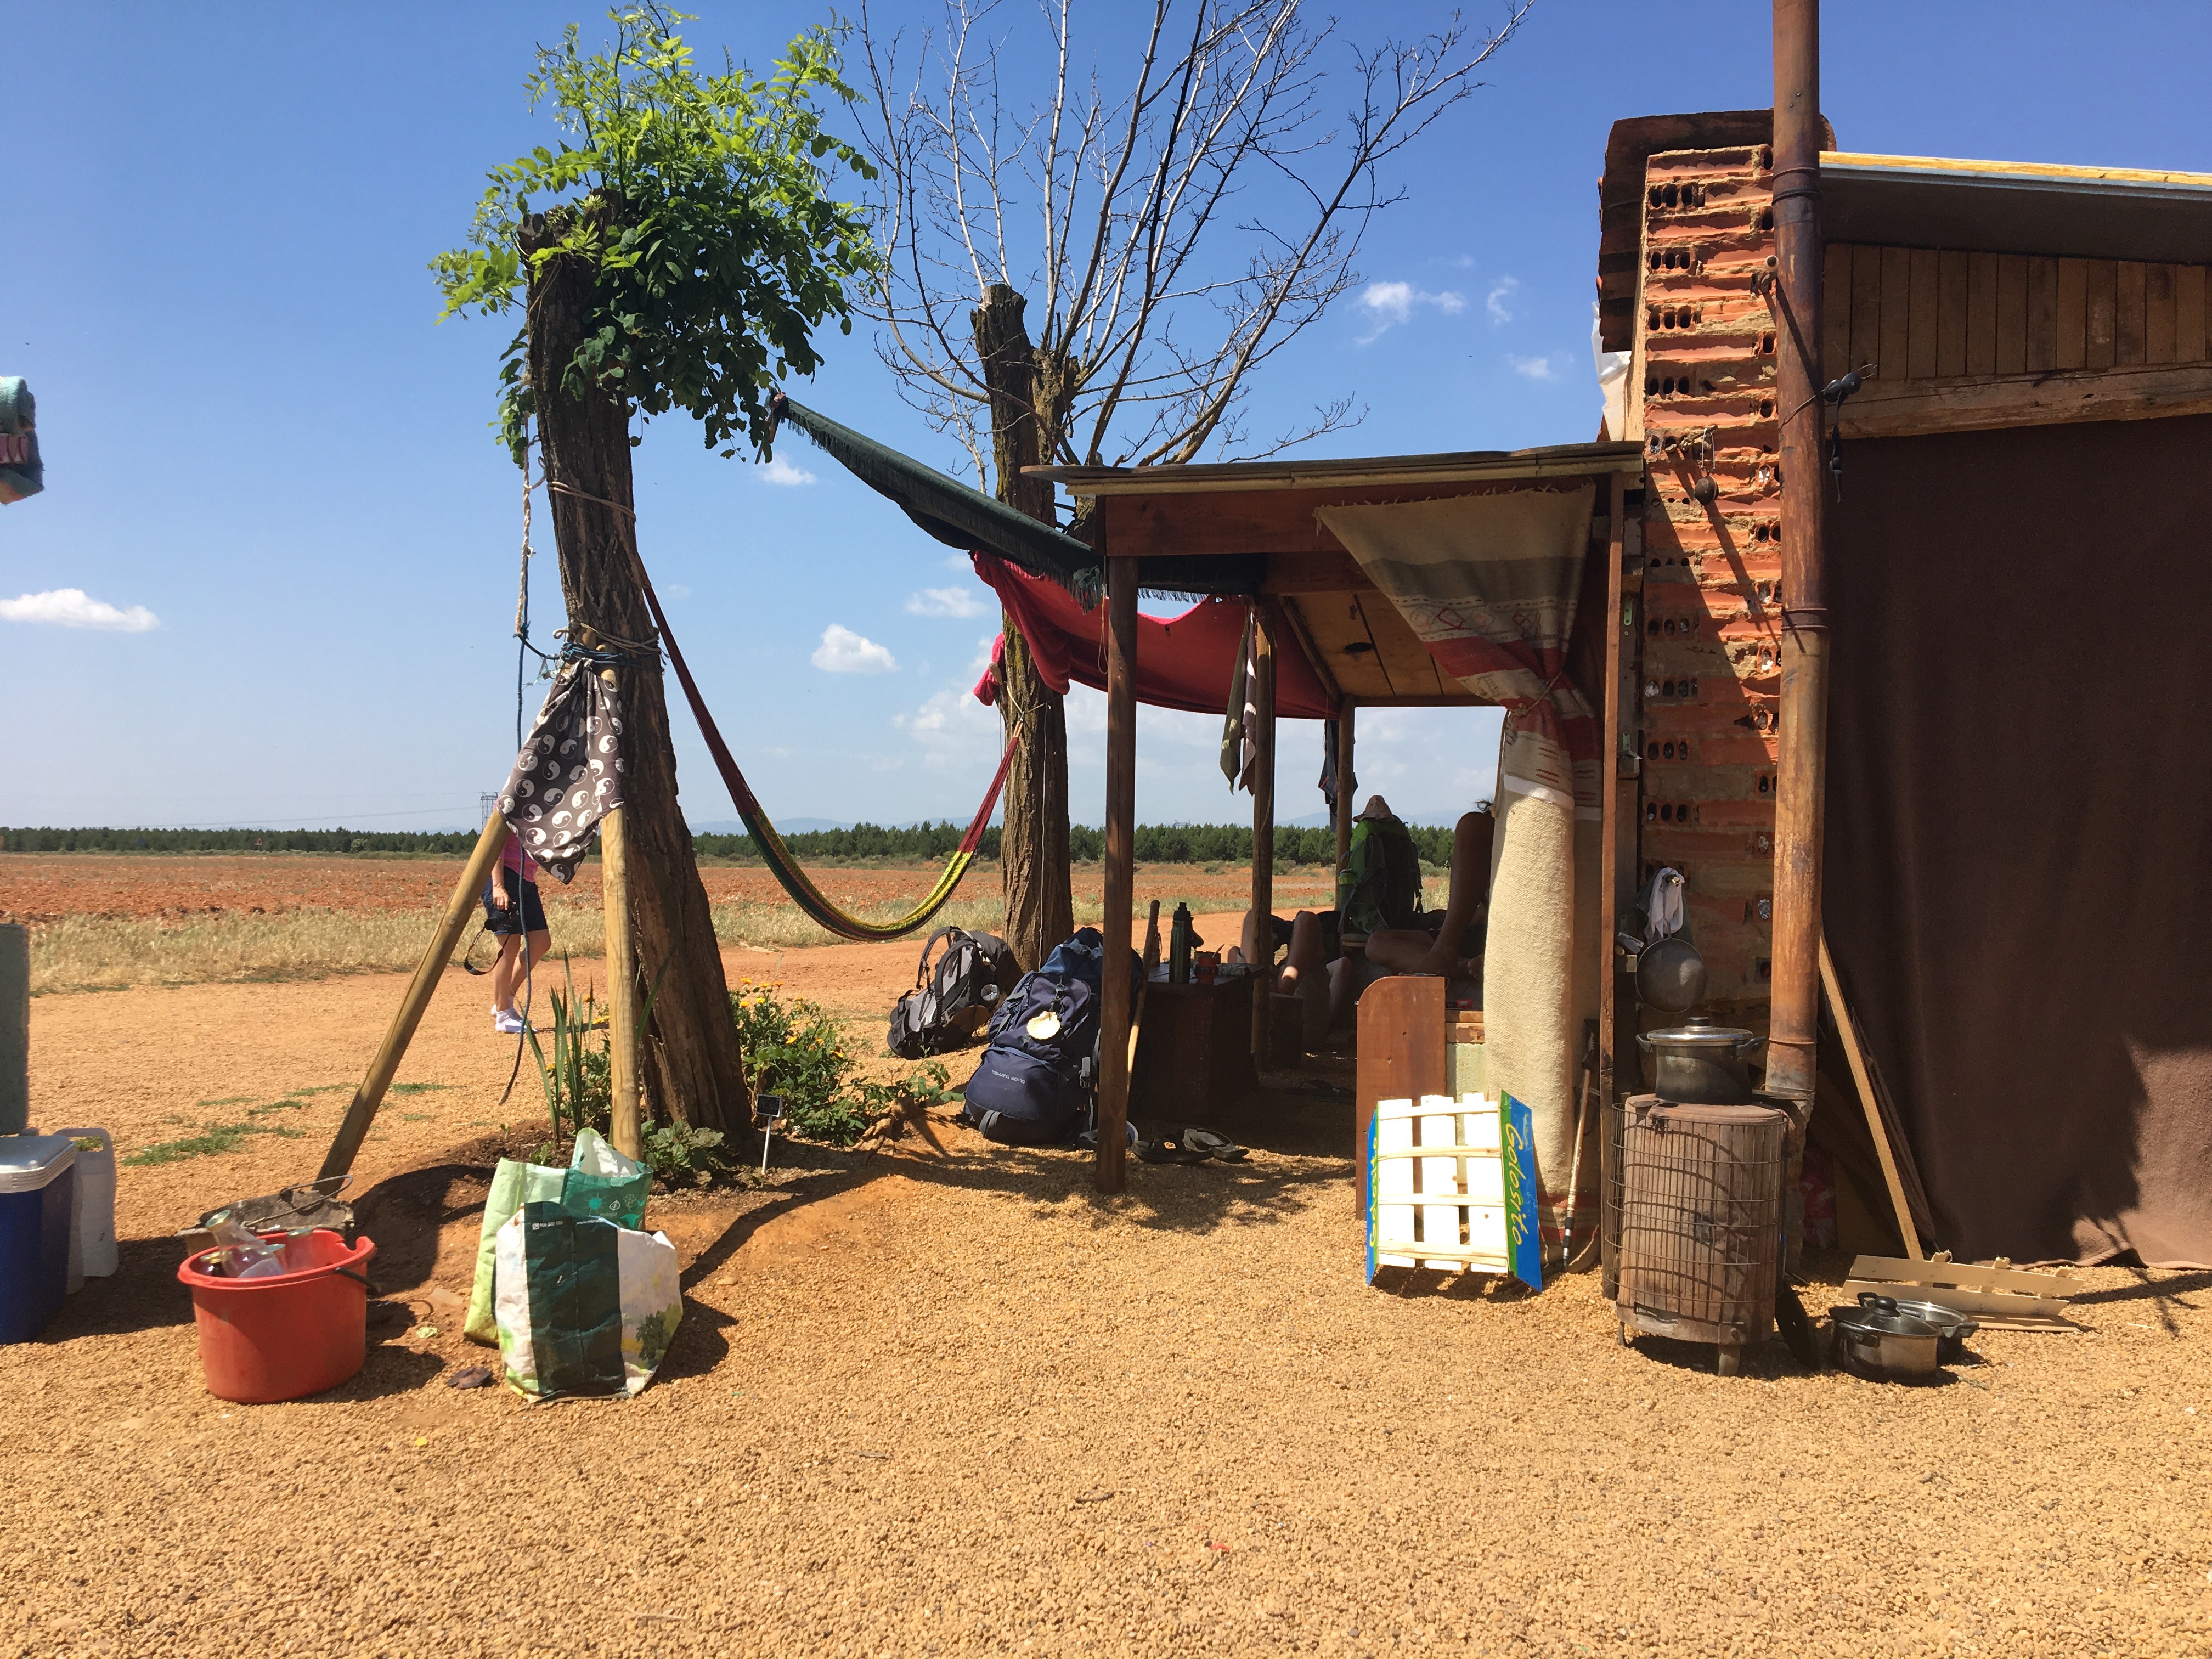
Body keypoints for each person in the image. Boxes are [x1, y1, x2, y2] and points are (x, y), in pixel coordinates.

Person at [485, 832, 551, 1035]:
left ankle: (504, 1002)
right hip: (504, 876)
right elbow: (495, 844)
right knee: (509, 946)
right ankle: (503, 1016)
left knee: (541, 941)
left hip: (526, 878)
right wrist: (498, 886)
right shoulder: (509, 809)